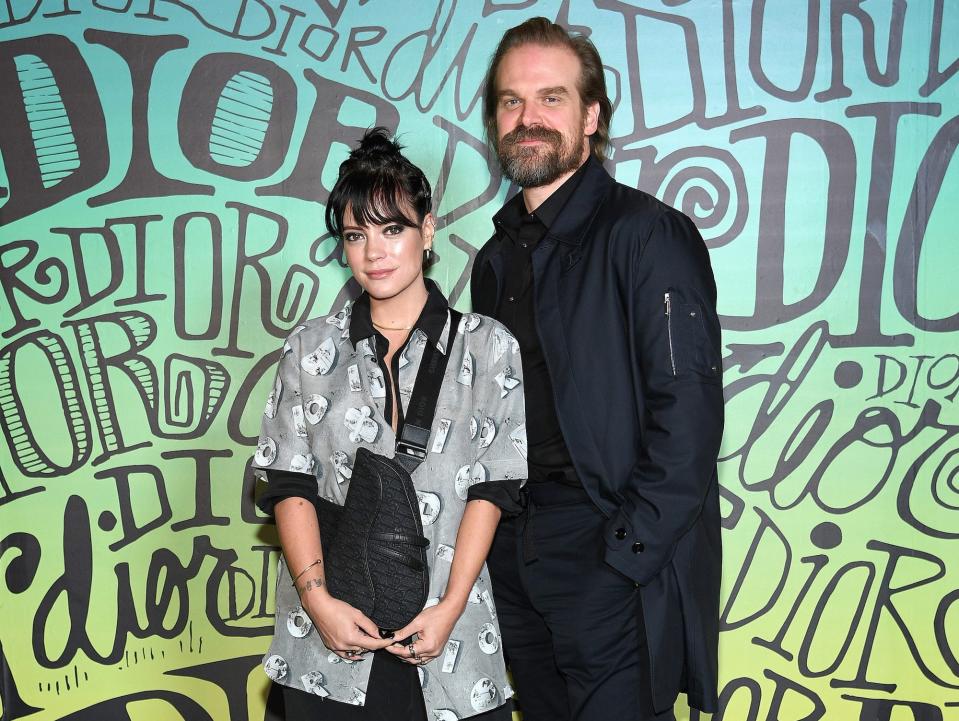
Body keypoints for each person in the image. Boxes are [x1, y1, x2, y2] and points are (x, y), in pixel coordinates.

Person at [471, 17, 725, 721]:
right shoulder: (492, 262)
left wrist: (621, 557)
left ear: (590, 116)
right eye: (510, 101)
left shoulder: (646, 234)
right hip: (513, 552)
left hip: (604, 551)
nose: (528, 119)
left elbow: (690, 417)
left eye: (550, 99)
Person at [252, 127, 527, 720]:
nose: (374, 252)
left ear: (427, 231)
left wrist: (450, 607)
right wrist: (317, 600)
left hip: (450, 643)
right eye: (356, 235)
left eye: (392, 228)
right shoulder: (309, 348)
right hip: (326, 644)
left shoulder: (488, 347)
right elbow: (288, 483)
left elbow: (493, 489)